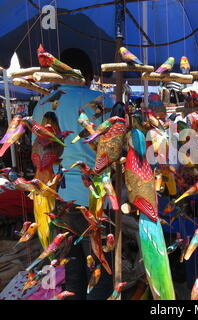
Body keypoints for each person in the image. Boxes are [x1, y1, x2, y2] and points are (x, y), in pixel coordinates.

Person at [32, 49, 115, 299]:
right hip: (96, 199)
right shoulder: (103, 101)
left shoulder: (42, 106)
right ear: (89, 75)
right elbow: (113, 151)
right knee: (102, 269)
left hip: (61, 198)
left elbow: (40, 155)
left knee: (73, 268)